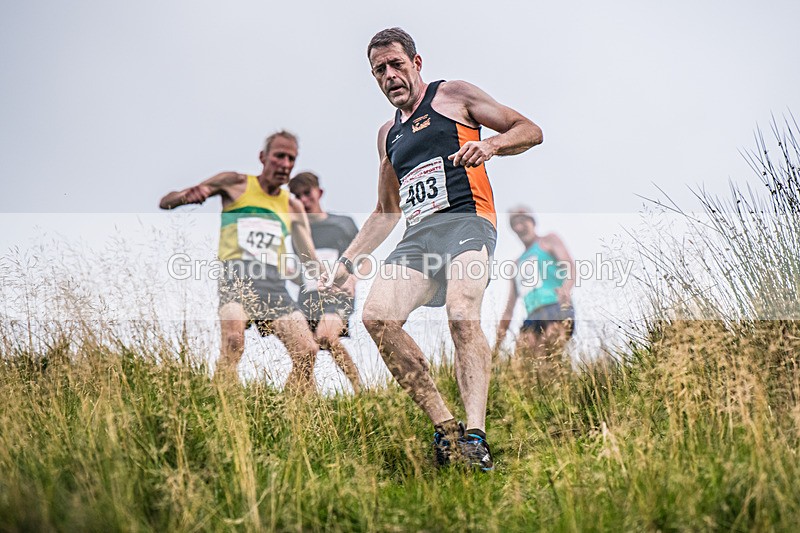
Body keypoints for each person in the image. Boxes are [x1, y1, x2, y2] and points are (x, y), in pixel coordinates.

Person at [324, 28, 543, 470]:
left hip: (467, 223)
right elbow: (386, 210)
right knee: (376, 318)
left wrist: (490, 145)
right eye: (379, 71)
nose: (389, 76)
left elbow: (530, 130)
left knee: (462, 314)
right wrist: (347, 263)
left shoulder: (453, 96)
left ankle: (477, 438)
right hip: (419, 240)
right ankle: (447, 430)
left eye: (396, 65)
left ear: (416, 63)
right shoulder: (388, 135)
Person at [159, 131, 321, 392]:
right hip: (237, 277)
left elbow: (309, 255)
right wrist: (187, 196)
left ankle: (290, 415)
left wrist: (334, 274)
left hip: (273, 285)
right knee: (234, 341)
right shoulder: (234, 183)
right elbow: (166, 202)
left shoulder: (291, 206)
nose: (286, 164)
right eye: (279, 156)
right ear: (263, 157)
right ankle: (219, 403)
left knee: (307, 351)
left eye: (292, 159)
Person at [288, 171, 363, 393]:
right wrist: (287, 273)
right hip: (307, 297)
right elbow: (303, 272)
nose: (304, 200)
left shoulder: (343, 223)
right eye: (297, 196)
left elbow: (362, 259)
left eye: (307, 193)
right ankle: (300, 401)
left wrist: (353, 280)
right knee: (305, 351)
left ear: (319, 192)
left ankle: (360, 389)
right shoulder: (296, 232)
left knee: (326, 336)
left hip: (337, 294)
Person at [495, 207, 576, 375]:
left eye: (522, 221)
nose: (519, 227)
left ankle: (565, 392)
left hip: (555, 306)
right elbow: (509, 307)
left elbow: (569, 266)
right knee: (523, 359)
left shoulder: (548, 241)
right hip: (532, 316)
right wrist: (496, 345)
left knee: (550, 352)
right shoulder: (515, 265)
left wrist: (566, 288)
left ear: (532, 221)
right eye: (514, 224)